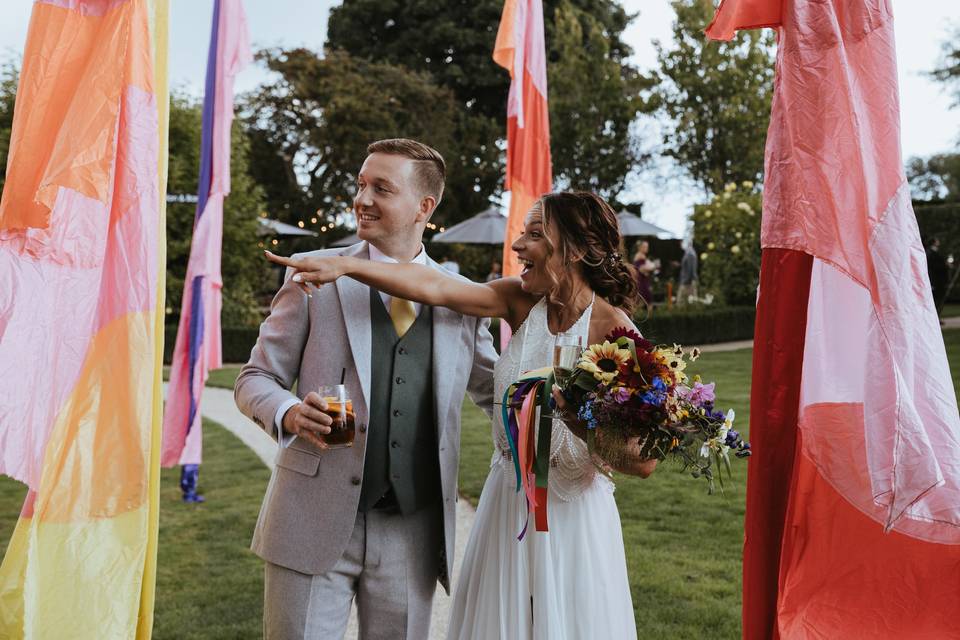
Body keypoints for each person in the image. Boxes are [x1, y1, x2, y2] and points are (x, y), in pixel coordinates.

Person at [269, 191, 657, 640]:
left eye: (534, 234)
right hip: (506, 508)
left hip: (572, 520)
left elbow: (640, 460)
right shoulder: (519, 300)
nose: (516, 247)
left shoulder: (617, 334)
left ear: (573, 249)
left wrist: (571, 416)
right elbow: (435, 287)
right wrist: (347, 266)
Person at [235, 138, 498, 640]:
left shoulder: (459, 300)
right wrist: (290, 412)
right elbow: (255, 379)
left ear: (424, 207)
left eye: (382, 188)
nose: (362, 198)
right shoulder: (315, 275)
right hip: (310, 518)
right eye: (360, 185)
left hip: (413, 530)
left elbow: (500, 390)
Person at [926, 237, 949, 319]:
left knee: (938, 300)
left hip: (937, 280)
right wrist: (944, 265)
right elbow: (933, 266)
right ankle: (934, 317)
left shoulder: (932, 252)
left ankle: (936, 317)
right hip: (936, 280)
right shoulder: (931, 253)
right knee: (936, 300)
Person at [632, 239, 657, 305]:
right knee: (646, 298)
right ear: (640, 247)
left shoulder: (641, 255)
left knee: (644, 298)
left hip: (642, 279)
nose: (646, 248)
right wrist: (653, 267)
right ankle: (649, 314)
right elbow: (641, 269)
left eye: (647, 247)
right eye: (645, 247)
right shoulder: (640, 255)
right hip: (641, 280)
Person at [676, 240, 699, 305]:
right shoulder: (688, 253)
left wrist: (685, 282)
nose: (680, 243)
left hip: (687, 283)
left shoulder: (690, 254)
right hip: (687, 281)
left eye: (681, 241)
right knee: (689, 304)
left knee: (681, 303)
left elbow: (690, 270)